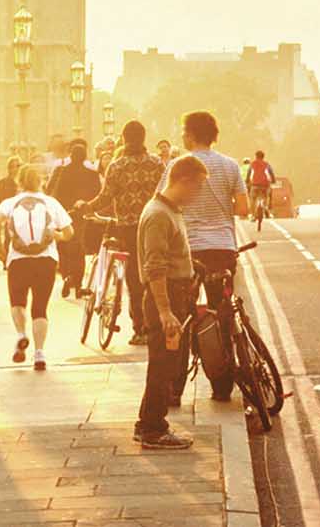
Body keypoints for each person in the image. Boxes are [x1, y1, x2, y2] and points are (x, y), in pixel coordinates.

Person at [176, 110, 251, 402]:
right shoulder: (230, 165)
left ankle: (176, 386)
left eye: (183, 131)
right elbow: (243, 209)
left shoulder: (178, 167)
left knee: (185, 316)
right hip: (224, 248)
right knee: (223, 311)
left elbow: (167, 204)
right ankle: (225, 382)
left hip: (191, 251)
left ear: (192, 135)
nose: (182, 136)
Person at [132, 153, 203, 451]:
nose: (198, 193)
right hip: (166, 296)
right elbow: (155, 266)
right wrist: (165, 311)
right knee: (163, 365)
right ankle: (154, 429)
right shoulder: (159, 215)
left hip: (176, 293)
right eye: (197, 186)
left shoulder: (170, 210)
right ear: (183, 181)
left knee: (165, 362)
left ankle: (145, 423)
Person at [0, 165, 70, 371]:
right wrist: (59, 236)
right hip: (45, 259)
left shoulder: (10, 202)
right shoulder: (51, 202)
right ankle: (39, 354)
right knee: (40, 308)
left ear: (19, 181)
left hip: (18, 259)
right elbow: (69, 231)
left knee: (18, 301)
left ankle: (21, 334)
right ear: (40, 181)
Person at [53, 138, 103, 299]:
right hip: (81, 215)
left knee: (64, 246)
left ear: (71, 156)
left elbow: (55, 193)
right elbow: (97, 194)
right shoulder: (92, 174)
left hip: (64, 214)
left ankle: (67, 275)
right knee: (78, 247)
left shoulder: (62, 172)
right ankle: (78, 283)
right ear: (84, 157)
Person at [248, 150, 279, 225]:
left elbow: (249, 174)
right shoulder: (267, 164)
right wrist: (273, 180)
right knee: (267, 197)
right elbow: (271, 173)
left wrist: (247, 181)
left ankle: (252, 215)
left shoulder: (252, 164)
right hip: (265, 185)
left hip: (255, 185)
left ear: (256, 156)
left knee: (252, 198)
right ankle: (266, 209)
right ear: (263, 157)